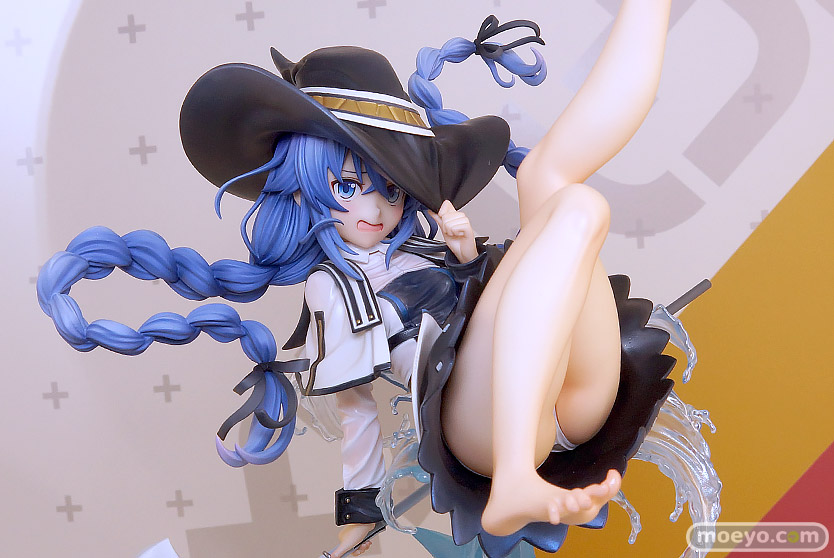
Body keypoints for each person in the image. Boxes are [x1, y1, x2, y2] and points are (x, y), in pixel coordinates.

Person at [37, 3, 675, 557]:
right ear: (305, 187)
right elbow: (358, 412)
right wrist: (358, 522)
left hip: (573, 398)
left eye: (391, 190)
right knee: (568, 201)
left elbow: (488, 305)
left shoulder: (420, 246)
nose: (374, 208)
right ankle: (513, 479)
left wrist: (462, 255)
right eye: (347, 186)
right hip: (484, 429)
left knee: (559, 190)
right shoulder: (333, 290)